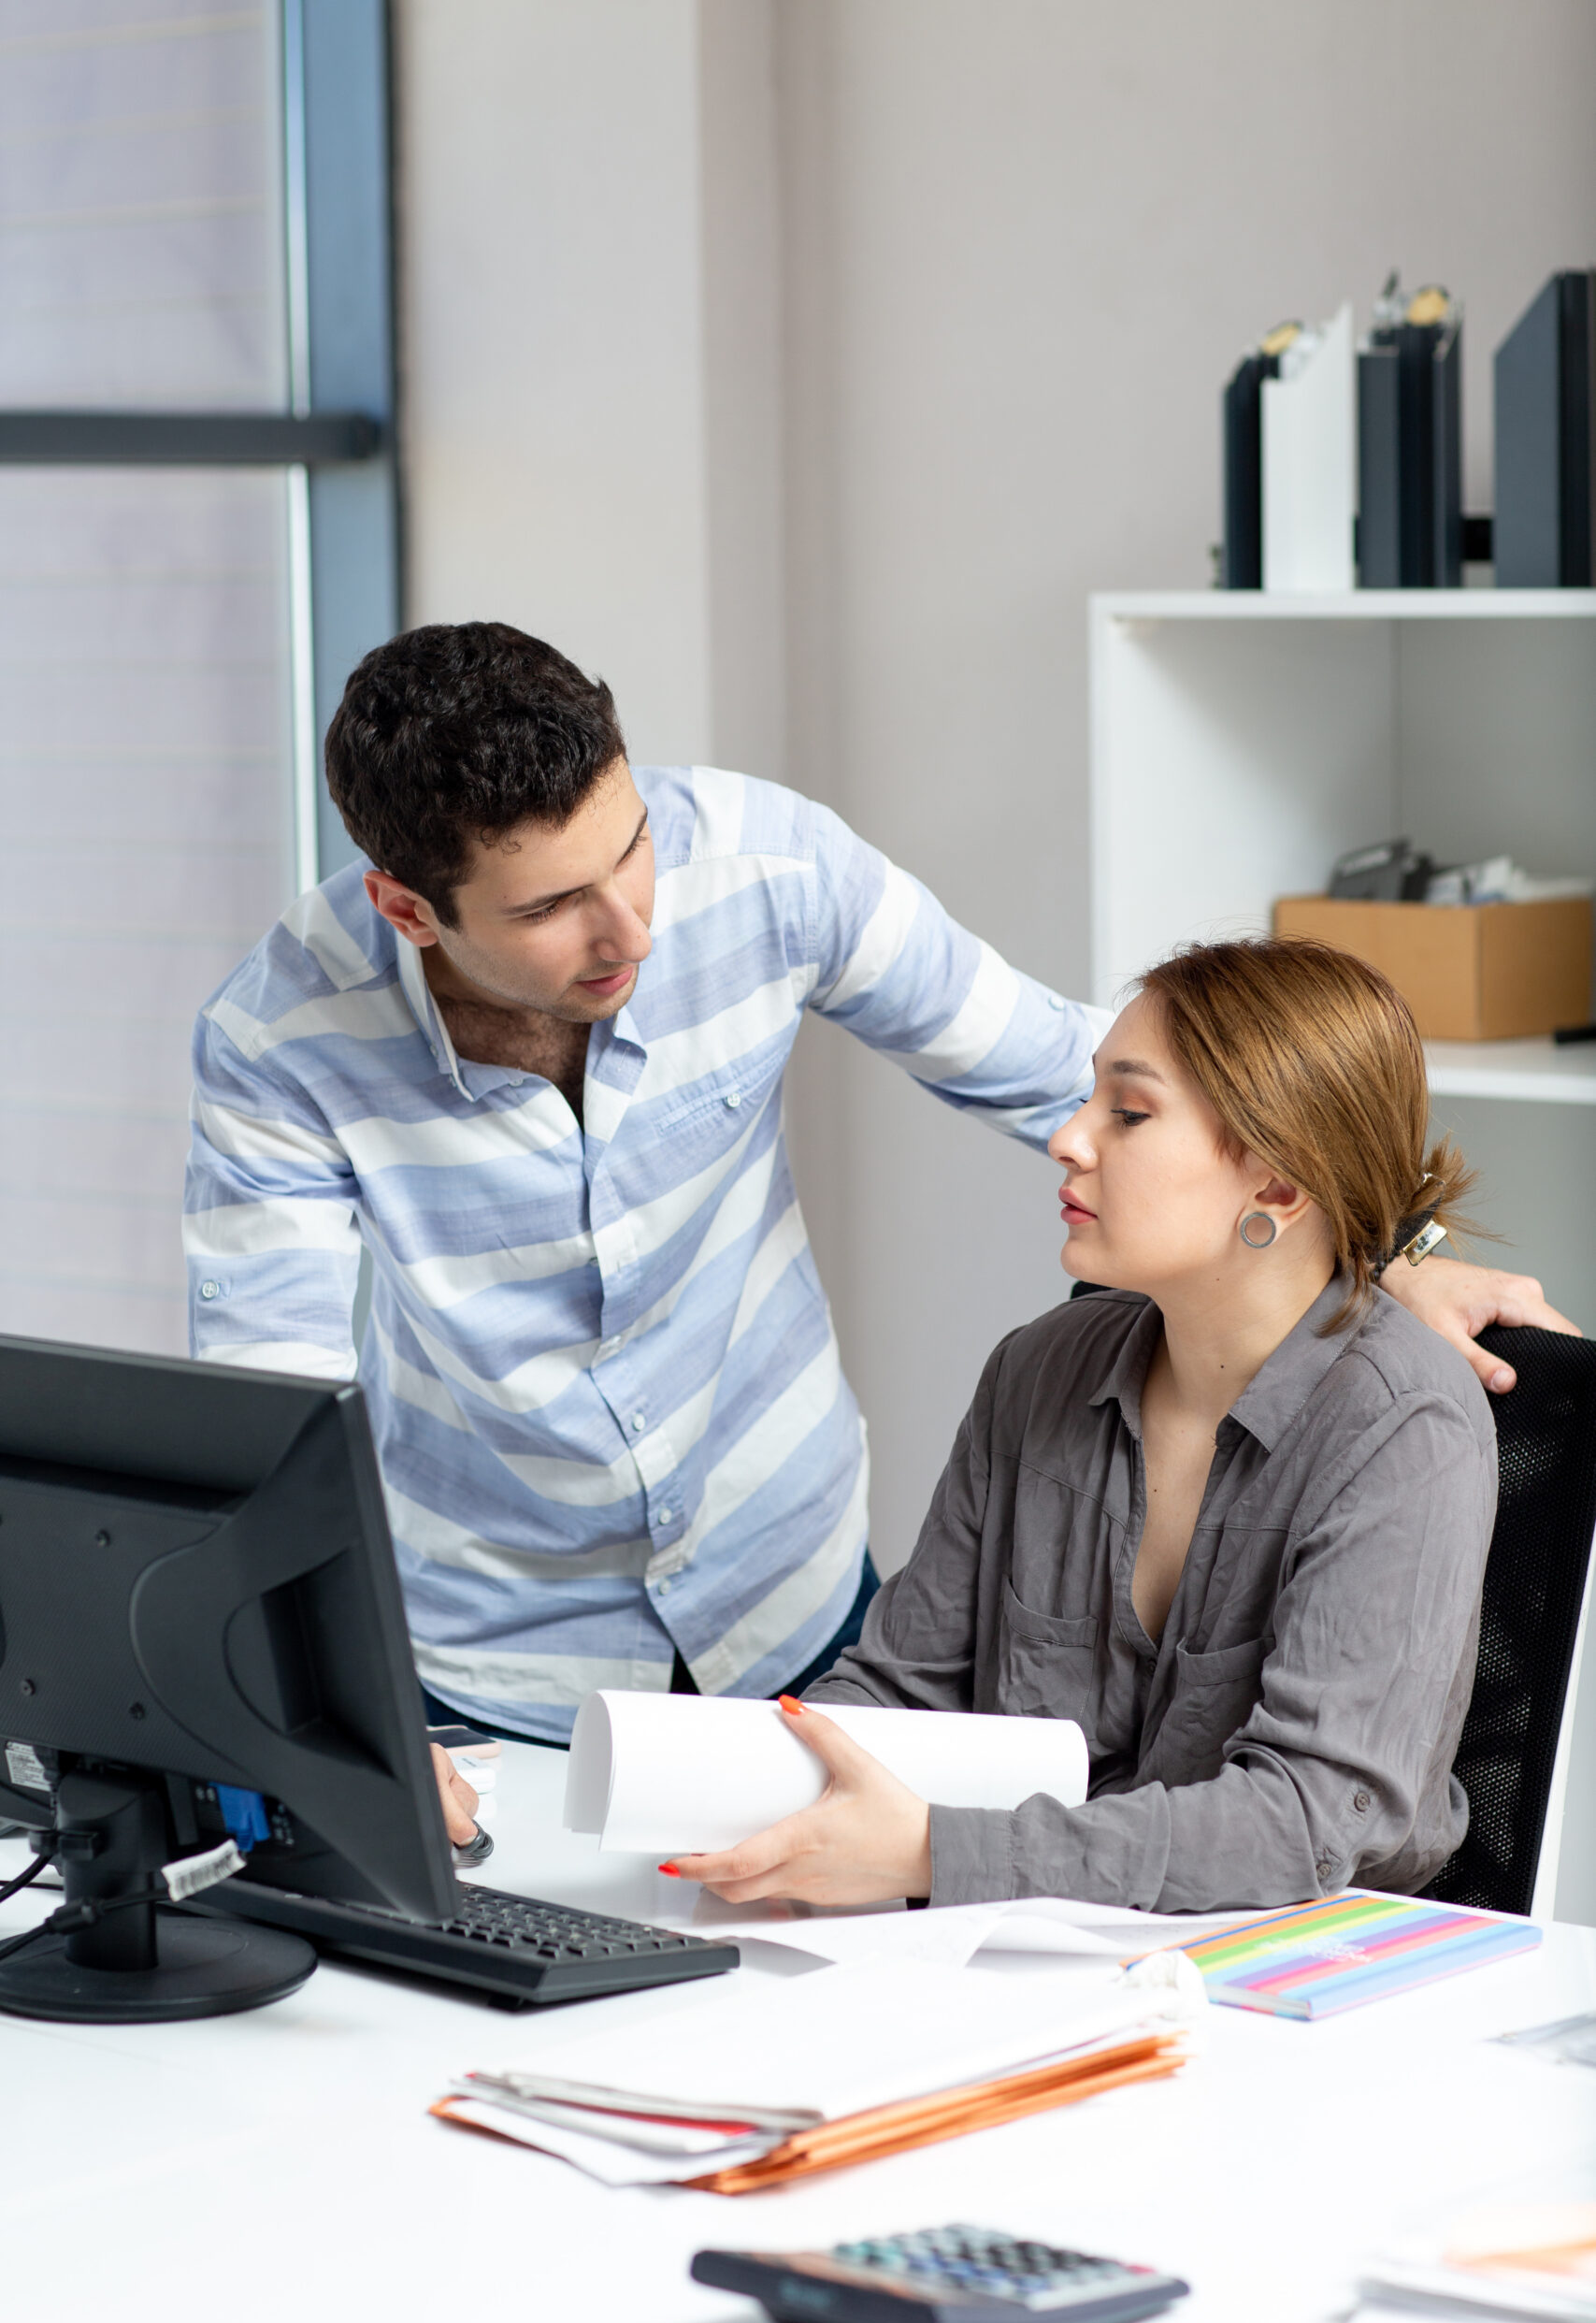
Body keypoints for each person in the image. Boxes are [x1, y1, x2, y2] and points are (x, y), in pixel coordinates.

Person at [183, 624, 1568, 1846]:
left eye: (631, 850)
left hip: (786, 1599)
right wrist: (327, 1703)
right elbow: (276, 1414)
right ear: (406, 906)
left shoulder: (769, 867)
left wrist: (1374, 1249)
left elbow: (1083, 1069)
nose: (628, 927)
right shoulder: (279, 1037)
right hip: (491, 1654)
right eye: (549, 908)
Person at [666, 938, 1526, 1914]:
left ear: (1277, 1188)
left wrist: (939, 1856)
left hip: (1290, 1968)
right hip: (1035, 1939)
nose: (1069, 1139)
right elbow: (902, 1687)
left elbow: (1304, 1819)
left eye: (1129, 1112)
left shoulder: (1400, 1425)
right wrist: (747, 1806)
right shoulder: (1041, 1368)